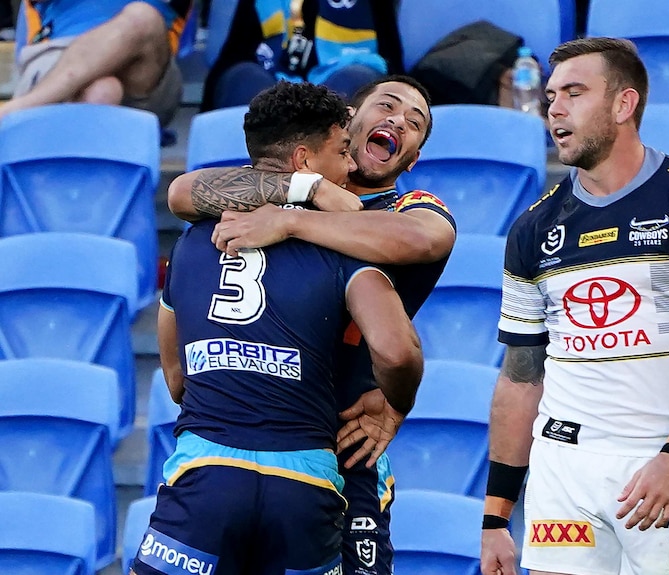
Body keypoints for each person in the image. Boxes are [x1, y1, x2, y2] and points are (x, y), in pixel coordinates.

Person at [480, 37, 669, 575]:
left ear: (624, 105)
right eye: (552, 95)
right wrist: (495, 517)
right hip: (565, 468)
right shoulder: (533, 228)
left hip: (663, 464)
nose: (554, 108)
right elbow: (520, 378)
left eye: (574, 93)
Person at [167, 75, 456, 575]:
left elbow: (424, 240)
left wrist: (293, 222)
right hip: (262, 432)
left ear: (410, 160)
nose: (398, 121)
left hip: (349, 440)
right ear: (348, 122)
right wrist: (307, 190)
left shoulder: (410, 208)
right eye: (387, 105)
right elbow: (181, 192)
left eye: (415, 123)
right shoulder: (285, 188)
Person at [2, 0, 192, 127]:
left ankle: (15, 112)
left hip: (146, 69)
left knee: (142, 17)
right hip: (59, 54)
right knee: (102, 92)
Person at [201, 0, 403, 110]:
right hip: (268, 72)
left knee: (352, 84)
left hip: (347, 69)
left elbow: (389, 53)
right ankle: (257, 183)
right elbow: (236, 53)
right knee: (246, 81)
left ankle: (330, 184)